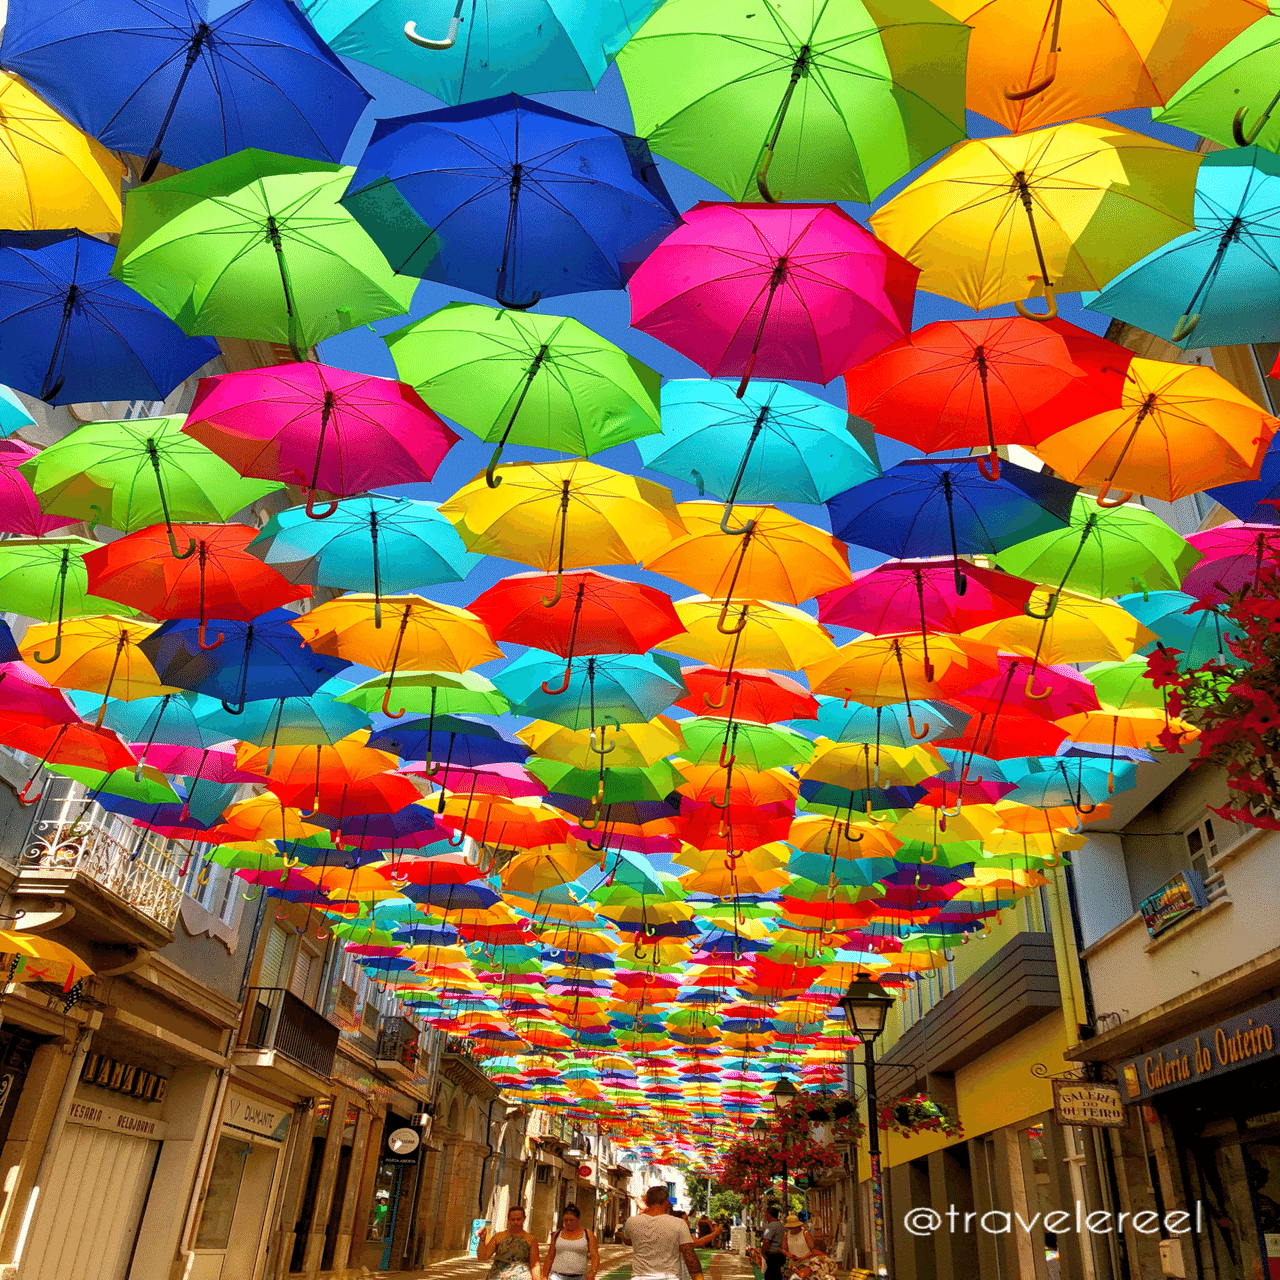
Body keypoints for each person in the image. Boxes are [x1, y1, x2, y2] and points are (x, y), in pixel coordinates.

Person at [622, 1186, 705, 1280]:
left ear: (646, 1202)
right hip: (670, 1277)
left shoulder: (631, 1222)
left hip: (639, 1277)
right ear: (666, 1202)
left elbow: (627, 1241)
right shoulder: (678, 1223)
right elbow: (689, 1256)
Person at [479, 1205, 541, 1280]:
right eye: (512, 1219)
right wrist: (482, 1239)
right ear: (508, 1220)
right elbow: (482, 1257)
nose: (515, 1222)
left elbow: (535, 1264)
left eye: (518, 1219)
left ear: (524, 1219)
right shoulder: (498, 1237)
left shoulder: (530, 1240)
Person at [546, 1204, 599, 1280]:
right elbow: (550, 1256)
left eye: (571, 1220)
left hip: (580, 1276)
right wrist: (544, 1275)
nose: (568, 1223)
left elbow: (595, 1256)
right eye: (566, 1220)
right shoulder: (557, 1234)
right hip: (557, 1276)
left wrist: (593, 1271)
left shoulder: (587, 1234)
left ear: (578, 1219)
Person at [760, 1207, 786, 1280]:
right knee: (777, 1273)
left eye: (766, 1214)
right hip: (781, 1254)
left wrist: (763, 1252)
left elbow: (766, 1241)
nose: (765, 1216)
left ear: (769, 1215)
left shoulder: (770, 1226)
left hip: (773, 1254)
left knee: (771, 1274)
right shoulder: (782, 1225)